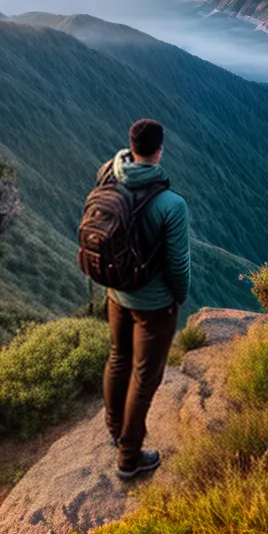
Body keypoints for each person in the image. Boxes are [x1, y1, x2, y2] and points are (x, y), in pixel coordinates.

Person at [98, 118, 190, 479]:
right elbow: (178, 264)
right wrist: (177, 298)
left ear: (131, 145)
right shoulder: (171, 204)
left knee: (118, 357)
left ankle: (114, 430)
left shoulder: (109, 175)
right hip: (154, 306)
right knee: (145, 377)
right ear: (160, 150)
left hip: (116, 294)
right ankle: (129, 457)